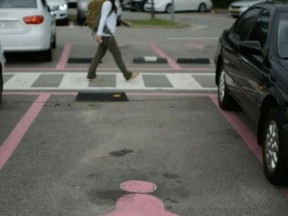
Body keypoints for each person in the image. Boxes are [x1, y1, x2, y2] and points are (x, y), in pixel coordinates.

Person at [87, 0, 139, 81]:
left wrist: (121, 7)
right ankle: (127, 75)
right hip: (106, 35)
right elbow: (103, 18)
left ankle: (91, 74)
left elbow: (114, 16)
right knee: (117, 54)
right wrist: (99, 33)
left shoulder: (111, 4)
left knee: (99, 55)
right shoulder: (107, 3)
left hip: (106, 34)